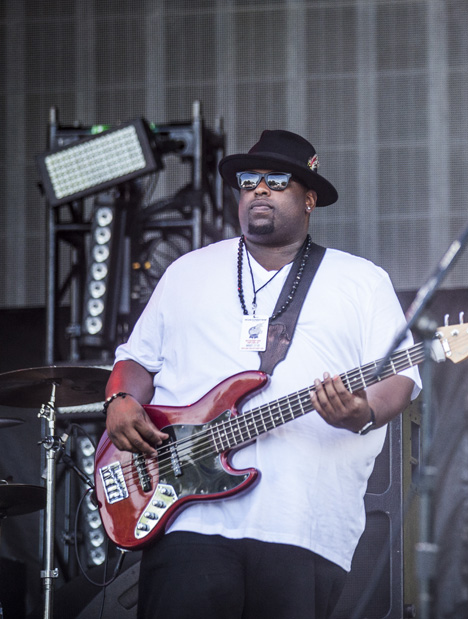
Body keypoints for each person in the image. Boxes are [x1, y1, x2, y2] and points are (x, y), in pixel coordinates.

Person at [103, 129, 420, 619]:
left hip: (301, 524)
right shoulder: (188, 272)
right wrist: (120, 400)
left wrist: (360, 413)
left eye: (277, 180)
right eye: (249, 181)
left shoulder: (361, 280)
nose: (259, 190)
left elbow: (399, 376)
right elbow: (137, 361)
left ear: (309, 199)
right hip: (187, 519)